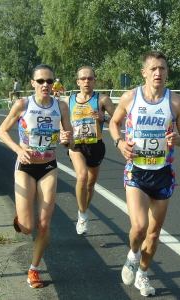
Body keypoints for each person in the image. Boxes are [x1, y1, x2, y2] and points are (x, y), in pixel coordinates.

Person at [109, 50, 180, 296]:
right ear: (144, 72)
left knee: (154, 235)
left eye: (162, 68)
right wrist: (119, 143)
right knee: (140, 226)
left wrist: (178, 138)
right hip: (136, 171)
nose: (158, 73)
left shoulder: (175, 101)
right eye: (153, 68)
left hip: (163, 173)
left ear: (167, 72)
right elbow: (114, 123)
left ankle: (142, 275)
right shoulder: (130, 97)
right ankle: (133, 255)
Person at [0, 64, 74, 288]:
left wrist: (66, 138)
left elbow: (68, 138)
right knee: (28, 227)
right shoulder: (23, 104)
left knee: (43, 223)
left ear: (53, 84)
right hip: (26, 167)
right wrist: (19, 150)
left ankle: (34, 270)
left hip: (49, 166)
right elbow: (2, 131)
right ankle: (21, 221)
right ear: (33, 83)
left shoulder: (61, 107)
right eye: (40, 81)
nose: (45, 85)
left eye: (49, 81)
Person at [63, 66, 116, 235]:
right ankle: (82, 215)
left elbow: (119, 120)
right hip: (76, 145)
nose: (87, 81)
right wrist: (63, 134)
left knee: (90, 184)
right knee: (82, 177)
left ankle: (84, 209)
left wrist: (103, 118)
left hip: (96, 145)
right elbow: (60, 120)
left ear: (95, 81)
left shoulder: (102, 100)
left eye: (90, 78)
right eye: (83, 78)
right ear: (78, 82)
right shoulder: (68, 101)